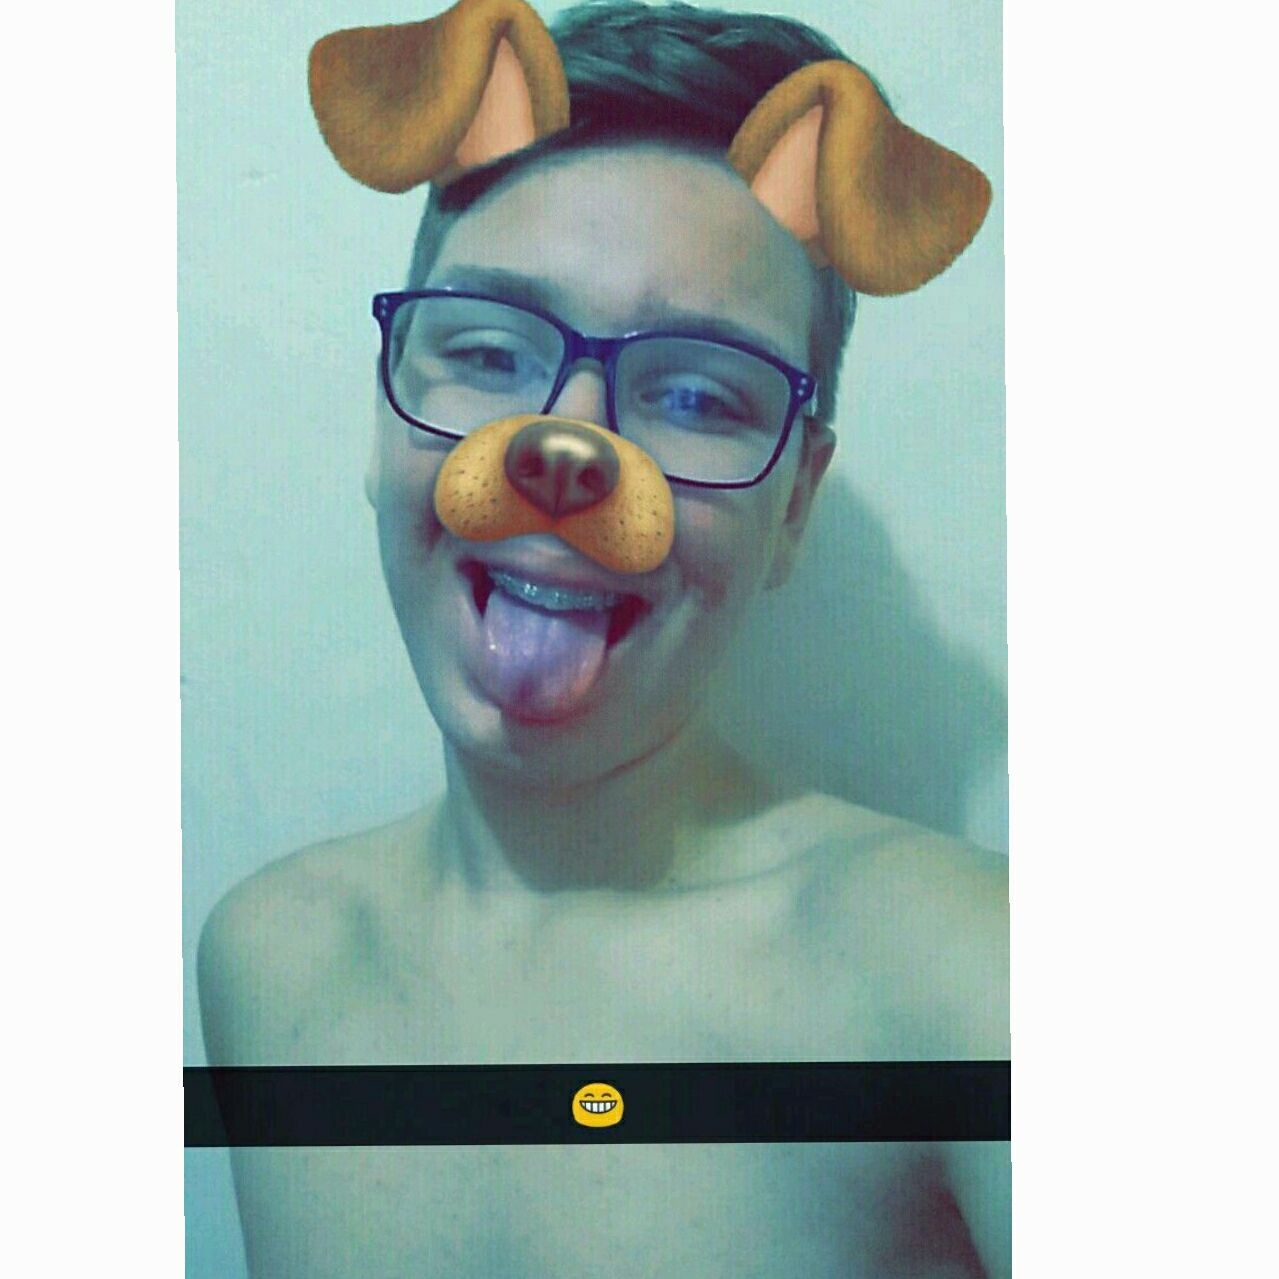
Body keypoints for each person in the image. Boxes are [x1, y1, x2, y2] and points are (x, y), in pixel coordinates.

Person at [198, 2, 1009, 1275]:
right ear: (382, 418)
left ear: (794, 503)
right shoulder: (266, 958)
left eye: (694, 392)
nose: (567, 450)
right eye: (486, 349)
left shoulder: (968, 978)